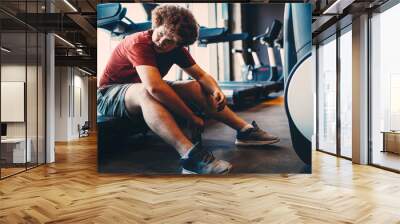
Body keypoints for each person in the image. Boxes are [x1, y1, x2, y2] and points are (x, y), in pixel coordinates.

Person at [98, 5, 280, 174]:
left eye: (170, 41)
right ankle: (190, 156)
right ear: (157, 24)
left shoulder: (177, 50)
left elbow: (201, 76)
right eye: (161, 34)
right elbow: (154, 88)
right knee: (145, 91)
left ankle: (244, 131)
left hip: (136, 91)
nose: (162, 42)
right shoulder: (138, 43)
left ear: (179, 44)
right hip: (108, 95)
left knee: (194, 86)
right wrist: (191, 117)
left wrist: (216, 90)